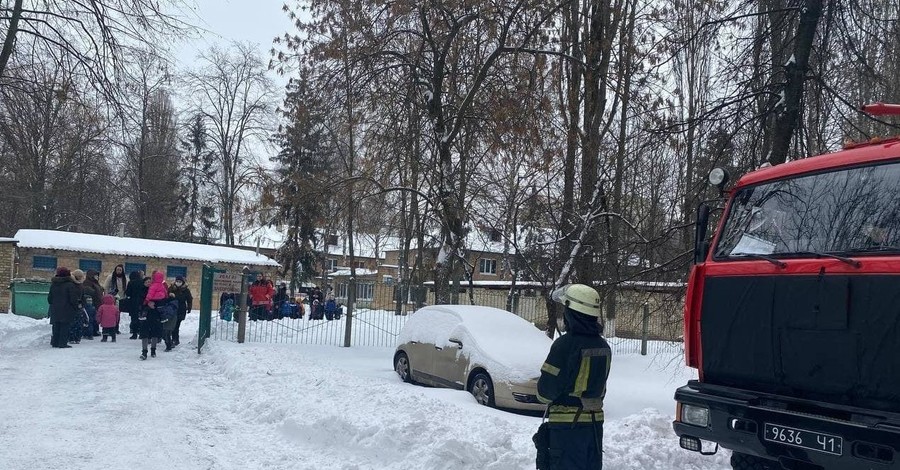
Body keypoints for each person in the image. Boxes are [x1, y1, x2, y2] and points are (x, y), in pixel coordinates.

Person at [536, 284, 611, 470]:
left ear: (572, 312)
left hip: (566, 430)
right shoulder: (603, 346)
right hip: (594, 428)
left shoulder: (564, 345)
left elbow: (546, 391)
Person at [48, 267, 80, 348]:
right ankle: (62, 343)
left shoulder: (53, 284)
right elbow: (73, 299)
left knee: (56, 326)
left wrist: (53, 304)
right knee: (65, 326)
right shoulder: (70, 285)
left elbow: (49, 298)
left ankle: (55, 342)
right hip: (67, 309)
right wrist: (76, 307)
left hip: (55, 309)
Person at [140, 272, 167, 360]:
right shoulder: (162, 287)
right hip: (152, 313)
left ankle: (149, 351)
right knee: (148, 333)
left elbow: (164, 299)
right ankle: (148, 351)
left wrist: (148, 303)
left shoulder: (152, 287)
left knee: (151, 332)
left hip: (152, 313)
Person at [167, 276, 193, 346]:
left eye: (180, 282)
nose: (178, 283)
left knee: (176, 325)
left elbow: (189, 299)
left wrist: (189, 307)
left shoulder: (186, 290)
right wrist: (169, 295)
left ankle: (175, 339)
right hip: (172, 309)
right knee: (172, 325)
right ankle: (175, 339)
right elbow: (166, 295)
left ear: (182, 282)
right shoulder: (171, 288)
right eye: (177, 281)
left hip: (181, 309)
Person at [104, 264, 128, 334]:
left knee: (117, 314)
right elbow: (106, 287)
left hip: (121, 299)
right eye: (117, 269)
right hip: (112, 299)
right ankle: (110, 328)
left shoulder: (125, 278)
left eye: (120, 270)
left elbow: (126, 288)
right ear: (115, 270)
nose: (119, 271)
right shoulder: (110, 277)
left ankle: (116, 328)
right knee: (111, 314)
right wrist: (106, 296)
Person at [70, 269, 91, 343]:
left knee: (79, 323)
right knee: (73, 323)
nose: (81, 278)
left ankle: (77, 337)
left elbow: (82, 296)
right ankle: (72, 338)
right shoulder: (72, 284)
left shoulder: (81, 285)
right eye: (80, 276)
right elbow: (72, 296)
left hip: (79, 307)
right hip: (73, 307)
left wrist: (83, 304)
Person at [123, 271, 146, 340]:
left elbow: (128, 293)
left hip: (133, 303)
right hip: (142, 302)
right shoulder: (142, 282)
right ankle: (142, 334)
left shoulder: (131, 283)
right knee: (141, 318)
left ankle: (134, 334)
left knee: (134, 319)